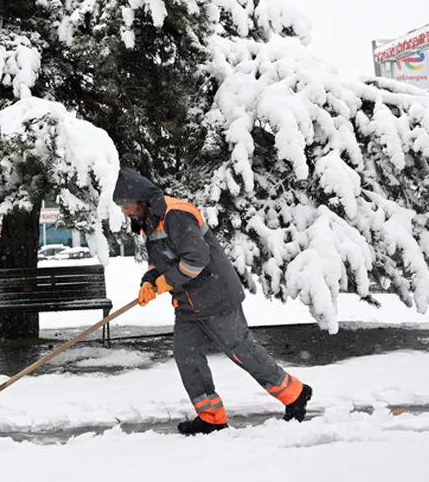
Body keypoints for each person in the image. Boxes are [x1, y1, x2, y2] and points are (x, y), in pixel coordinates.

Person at [114, 167, 312, 435]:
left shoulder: (176, 214)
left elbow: (196, 259)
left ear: (141, 199)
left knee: (242, 352)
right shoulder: (150, 222)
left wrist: (163, 283)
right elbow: (160, 260)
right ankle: (211, 417)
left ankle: (295, 393)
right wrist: (149, 281)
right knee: (187, 358)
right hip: (187, 304)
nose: (124, 212)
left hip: (215, 295)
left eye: (126, 205)